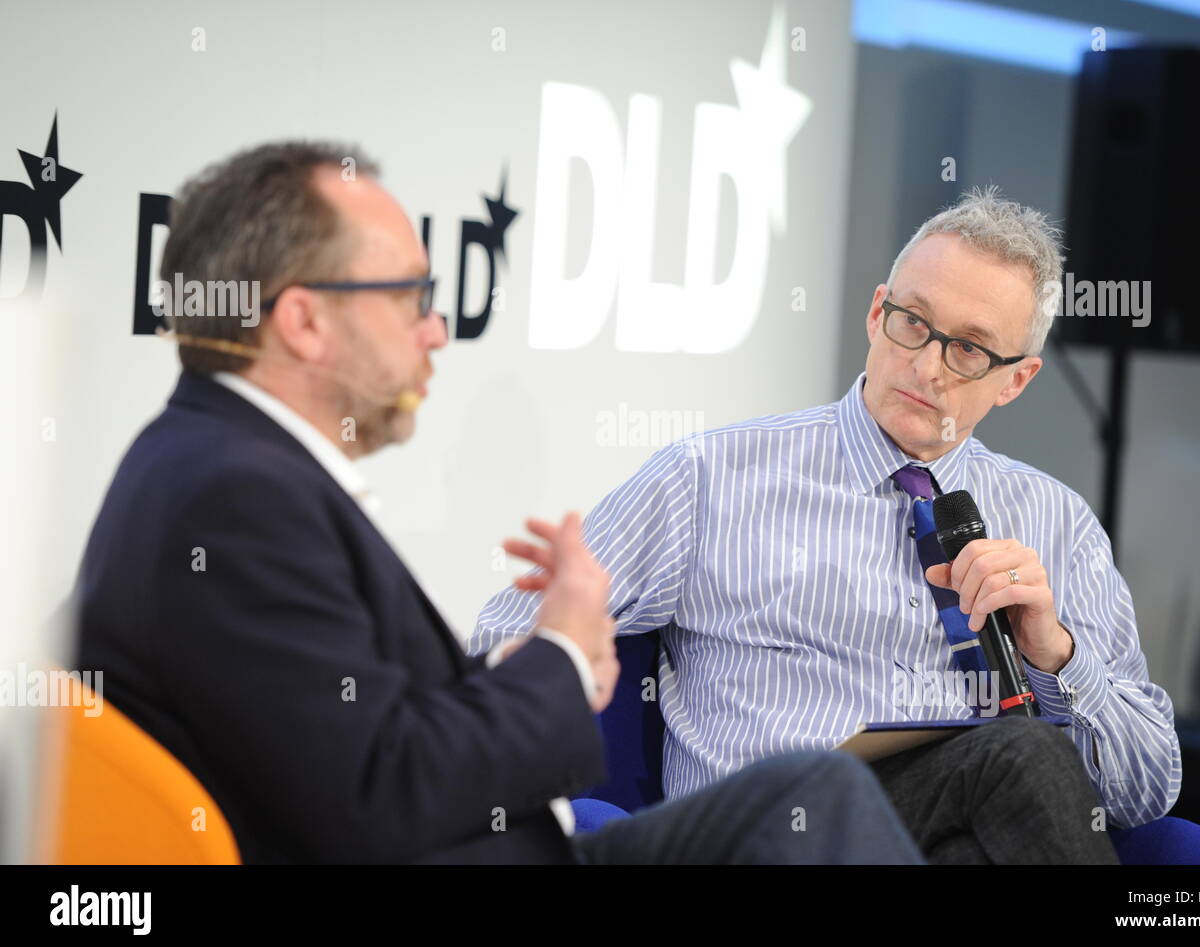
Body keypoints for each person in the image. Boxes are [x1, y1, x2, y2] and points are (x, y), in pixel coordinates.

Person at [70, 140, 925, 864]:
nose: (437, 329)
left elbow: (351, 727)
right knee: (821, 801)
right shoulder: (235, 498)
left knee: (811, 794)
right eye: (410, 296)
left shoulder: (223, 465)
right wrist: (557, 657)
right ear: (303, 323)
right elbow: (375, 795)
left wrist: (535, 666)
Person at [473, 188, 1174, 864]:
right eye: (913, 323)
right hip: (764, 838)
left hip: (942, 830)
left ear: (1015, 379)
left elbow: (1144, 790)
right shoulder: (713, 476)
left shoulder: (1057, 522)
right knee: (1019, 755)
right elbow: (501, 640)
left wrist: (1054, 654)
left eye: (967, 350)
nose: (926, 365)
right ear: (877, 313)